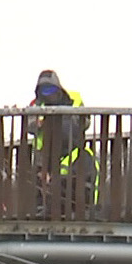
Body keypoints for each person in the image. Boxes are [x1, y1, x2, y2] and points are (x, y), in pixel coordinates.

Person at [28, 69, 97, 218]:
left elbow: (85, 122)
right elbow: (29, 124)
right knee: (40, 188)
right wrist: (37, 123)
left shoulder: (74, 99)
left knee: (74, 184)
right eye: (44, 91)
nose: (48, 94)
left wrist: (67, 121)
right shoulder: (36, 105)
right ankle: (43, 212)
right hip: (45, 156)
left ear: (59, 88)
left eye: (51, 89)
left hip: (71, 151)